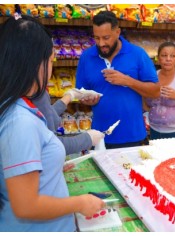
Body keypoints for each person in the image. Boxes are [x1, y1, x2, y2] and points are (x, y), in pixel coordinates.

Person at [0, 15, 104, 231]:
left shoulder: (18, 106)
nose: (51, 67)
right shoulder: (19, 122)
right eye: (50, 60)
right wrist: (81, 202)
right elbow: (26, 206)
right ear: (35, 63)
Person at [76, 11, 160, 149]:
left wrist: (128, 81)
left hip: (133, 137)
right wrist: (86, 99)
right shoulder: (86, 57)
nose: (101, 43)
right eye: (96, 38)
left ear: (117, 32)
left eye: (106, 37)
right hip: (99, 138)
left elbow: (155, 92)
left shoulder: (137, 54)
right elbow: (80, 92)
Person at [33, 90, 104, 155]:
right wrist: (88, 139)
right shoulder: (37, 93)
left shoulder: (37, 91)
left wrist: (70, 95)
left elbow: (46, 115)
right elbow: (51, 145)